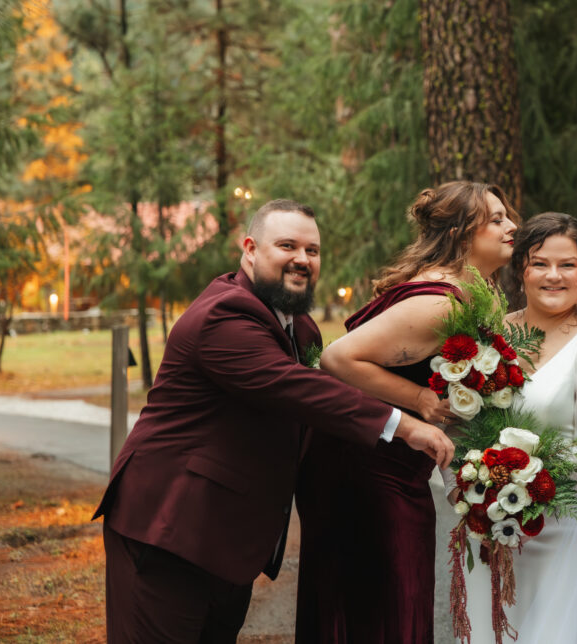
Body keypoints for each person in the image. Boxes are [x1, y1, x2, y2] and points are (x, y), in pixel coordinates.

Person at [92, 199, 453, 643]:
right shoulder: (224, 315)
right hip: (168, 532)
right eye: (287, 246)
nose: (302, 260)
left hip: (229, 545)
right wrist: (406, 423)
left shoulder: (302, 329)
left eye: (313, 251)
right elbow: (296, 390)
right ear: (250, 249)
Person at [294, 181, 519, 643]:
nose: (511, 226)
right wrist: (419, 403)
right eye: (496, 219)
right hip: (361, 467)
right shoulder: (439, 300)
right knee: (382, 597)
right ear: (461, 233)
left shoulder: (477, 290)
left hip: (391, 461)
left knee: (396, 594)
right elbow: (338, 359)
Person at [462, 213, 577, 643]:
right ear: (520, 269)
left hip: (565, 529)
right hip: (489, 524)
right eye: (540, 262)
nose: (553, 276)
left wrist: (525, 495)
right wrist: (481, 492)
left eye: (568, 265)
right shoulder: (493, 334)